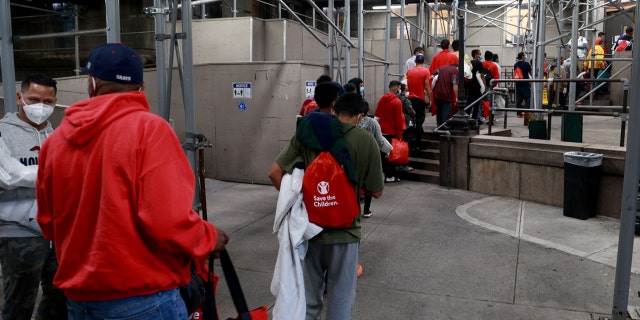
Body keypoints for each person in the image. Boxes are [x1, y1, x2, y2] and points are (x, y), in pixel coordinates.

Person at [36, 43, 228, 319]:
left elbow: (48, 223)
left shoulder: (55, 142)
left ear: (92, 83)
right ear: (141, 88)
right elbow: (167, 220)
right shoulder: (150, 130)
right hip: (143, 298)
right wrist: (208, 238)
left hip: (79, 300)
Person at [268, 92, 384, 320]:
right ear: (360, 116)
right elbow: (376, 191)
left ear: (333, 109)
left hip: (309, 231)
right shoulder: (365, 140)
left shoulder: (308, 134)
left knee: (309, 303)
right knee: (341, 302)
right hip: (346, 233)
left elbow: (274, 173)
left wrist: (297, 202)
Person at [0, 74, 67, 320]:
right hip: (17, 233)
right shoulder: (2, 133)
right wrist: (56, 174)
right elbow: (6, 177)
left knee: (59, 302)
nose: (41, 106)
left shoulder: (60, 137)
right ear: (19, 98)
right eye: (34, 99)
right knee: (19, 303)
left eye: (48, 102)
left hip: (58, 235)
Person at [358, 102, 391, 218]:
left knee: (356, 182)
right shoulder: (372, 122)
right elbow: (380, 139)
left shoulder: (353, 122)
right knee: (369, 182)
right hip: (371, 155)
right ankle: (366, 210)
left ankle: (355, 210)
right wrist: (388, 150)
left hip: (357, 155)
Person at [375, 80, 405, 183]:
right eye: (399, 88)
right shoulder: (397, 102)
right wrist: (400, 136)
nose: (399, 90)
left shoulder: (382, 99)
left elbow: (377, 116)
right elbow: (399, 121)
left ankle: (382, 175)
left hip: (381, 131)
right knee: (391, 156)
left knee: (382, 155)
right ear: (396, 88)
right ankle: (390, 176)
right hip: (392, 132)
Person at [406, 54, 431, 149]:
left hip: (410, 98)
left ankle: (410, 142)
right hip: (419, 99)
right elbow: (427, 87)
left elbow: (408, 84)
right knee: (419, 121)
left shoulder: (409, 71)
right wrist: (430, 99)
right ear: (423, 62)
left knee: (411, 120)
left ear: (415, 62)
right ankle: (418, 143)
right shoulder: (426, 71)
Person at [468, 50, 486, 123]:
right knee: (477, 103)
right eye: (479, 54)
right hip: (477, 85)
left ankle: (467, 116)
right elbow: (482, 75)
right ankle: (474, 118)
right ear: (475, 55)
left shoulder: (469, 63)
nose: (480, 56)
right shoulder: (479, 63)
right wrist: (484, 85)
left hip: (469, 85)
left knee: (469, 102)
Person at [513, 52, 532, 117]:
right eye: (524, 56)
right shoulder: (526, 64)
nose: (525, 57)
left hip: (518, 83)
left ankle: (519, 114)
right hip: (525, 83)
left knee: (519, 99)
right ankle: (526, 112)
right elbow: (530, 72)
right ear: (522, 57)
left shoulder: (515, 65)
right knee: (528, 98)